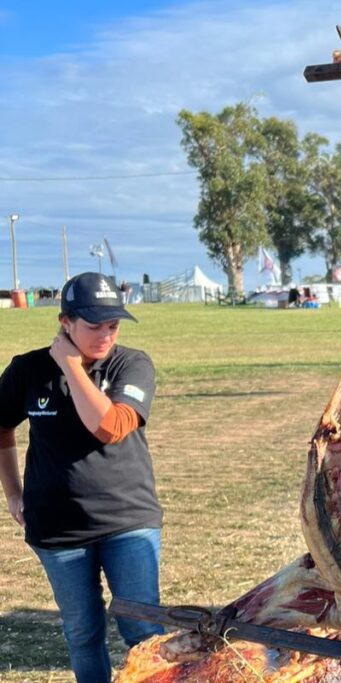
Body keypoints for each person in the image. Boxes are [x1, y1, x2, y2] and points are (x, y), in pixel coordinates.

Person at [0, 272, 164, 682]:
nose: (106, 335)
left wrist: (71, 366)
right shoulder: (27, 370)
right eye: (94, 325)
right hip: (57, 529)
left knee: (143, 632)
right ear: (65, 322)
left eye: (113, 325)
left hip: (127, 522)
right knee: (83, 633)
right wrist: (13, 492)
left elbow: (109, 426)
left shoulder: (132, 363)